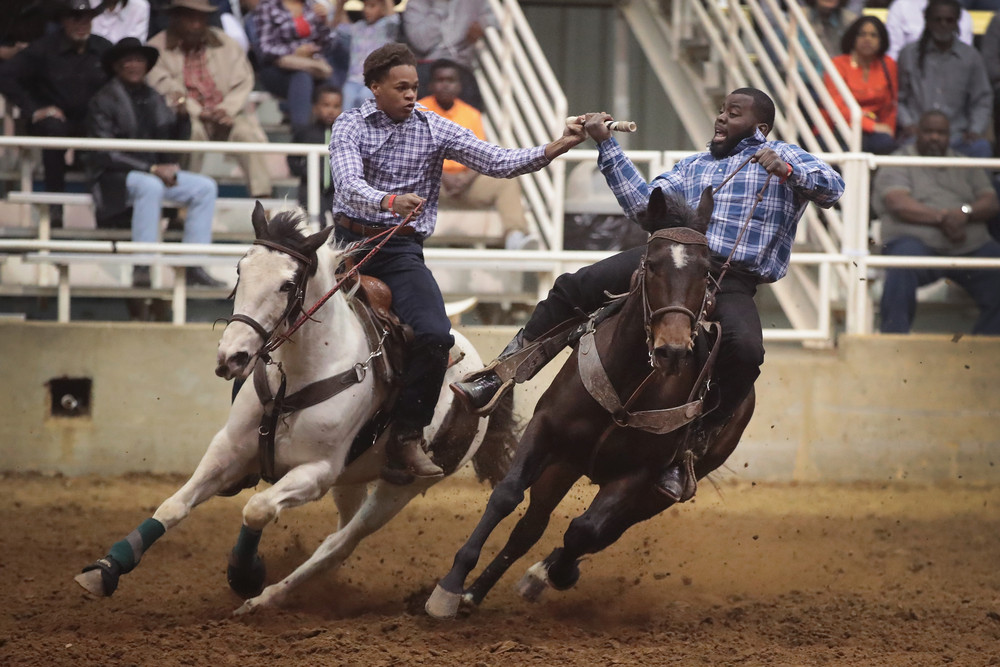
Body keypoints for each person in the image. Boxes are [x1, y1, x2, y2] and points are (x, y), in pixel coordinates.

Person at [452, 88, 846, 500]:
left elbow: (833, 189)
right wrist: (607, 145)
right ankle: (500, 376)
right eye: (721, 110)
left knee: (746, 349)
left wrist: (785, 169)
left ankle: (691, 446)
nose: (722, 118)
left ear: (760, 128)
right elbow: (644, 207)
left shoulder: (787, 155)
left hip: (730, 277)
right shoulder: (692, 166)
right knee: (574, 286)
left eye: (734, 112)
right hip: (669, 259)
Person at [329, 43, 587, 484]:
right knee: (280, 311)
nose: (412, 95)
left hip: (399, 253)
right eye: (401, 87)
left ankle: (407, 436)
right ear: (374, 87)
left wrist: (559, 145)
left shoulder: (435, 128)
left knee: (433, 334)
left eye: (414, 87)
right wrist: (390, 200)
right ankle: (253, 413)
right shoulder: (350, 123)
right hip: (344, 245)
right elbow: (348, 183)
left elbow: (498, 162)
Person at [85, 37, 224, 288]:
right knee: (150, 186)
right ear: (117, 65)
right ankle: (143, 265)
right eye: (128, 60)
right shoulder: (102, 100)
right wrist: (151, 169)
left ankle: (195, 265)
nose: (134, 65)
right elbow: (104, 153)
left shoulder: (154, 96)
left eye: (139, 59)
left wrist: (182, 118)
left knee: (205, 187)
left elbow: (170, 138)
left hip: (153, 172)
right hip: (113, 176)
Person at [872, 110, 1000, 334]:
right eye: (929, 131)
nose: (935, 137)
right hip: (916, 244)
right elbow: (898, 203)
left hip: (969, 245)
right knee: (902, 264)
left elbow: (990, 202)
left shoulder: (965, 163)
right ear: (917, 132)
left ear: (950, 136)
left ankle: (979, 352)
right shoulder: (898, 161)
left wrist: (965, 214)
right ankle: (893, 343)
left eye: (941, 133)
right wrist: (945, 218)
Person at [0, 0, 111, 228]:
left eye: (87, 18)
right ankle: (55, 208)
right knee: (53, 128)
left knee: (108, 130)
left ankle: (109, 212)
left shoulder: (103, 49)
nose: (81, 24)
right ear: (63, 21)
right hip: (52, 121)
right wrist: (34, 109)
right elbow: (6, 75)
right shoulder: (43, 49)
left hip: (92, 122)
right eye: (75, 18)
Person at [146, 0, 273, 198]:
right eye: (190, 18)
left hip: (225, 113)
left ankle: (263, 201)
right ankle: (184, 199)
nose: (196, 24)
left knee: (247, 134)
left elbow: (244, 79)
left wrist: (226, 109)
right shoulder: (156, 48)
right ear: (175, 17)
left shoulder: (225, 43)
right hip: (185, 115)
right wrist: (198, 111)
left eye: (200, 18)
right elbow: (163, 86)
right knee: (192, 133)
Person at [417, 58, 539, 250]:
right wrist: (442, 176)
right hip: (433, 185)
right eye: (440, 80)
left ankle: (515, 238)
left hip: (465, 183)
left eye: (451, 81)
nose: (445, 85)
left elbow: (478, 152)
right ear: (431, 84)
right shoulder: (419, 110)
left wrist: (466, 179)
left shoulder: (471, 114)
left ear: (459, 86)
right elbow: (417, 155)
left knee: (507, 181)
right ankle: (404, 234)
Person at [896, 0, 993, 158]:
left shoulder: (971, 57)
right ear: (927, 21)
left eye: (949, 20)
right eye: (937, 19)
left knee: (981, 148)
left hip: (958, 137)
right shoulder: (909, 55)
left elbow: (982, 99)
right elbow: (898, 98)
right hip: (917, 136)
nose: (943, 24)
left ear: (957, 22)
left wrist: (975, 129)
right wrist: (908, 124)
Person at [252, 0, 344, 131]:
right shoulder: (267, 7)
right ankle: (301, 135)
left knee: (330, 83)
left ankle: (336, 135)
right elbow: (263, 49)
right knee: (302, 78)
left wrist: (325, 22)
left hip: (312, 67)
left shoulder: (312, 7)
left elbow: (328, 46)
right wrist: (295, 51)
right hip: (276, 69)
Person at [824, 15, 899, 154]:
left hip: (876, 130)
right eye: (862, 34)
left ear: (881, 40)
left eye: (873, 35)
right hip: (840, 127)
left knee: (887, 144)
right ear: (853, 38)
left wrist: (889, 130)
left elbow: (890, 106)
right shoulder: (838, 64)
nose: (867, 39)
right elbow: (836, 107)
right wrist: (871, 126)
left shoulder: (888, 64)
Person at [402, 0, 494, 110]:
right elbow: (422, 43)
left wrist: (483, 25)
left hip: (461, 65)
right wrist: (439, 7)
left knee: (469, 101)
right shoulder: (416, 4)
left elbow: (497, 21)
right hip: (427, 65)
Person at [288, 83, 341, 223]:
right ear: (315, 107)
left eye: (336, 106)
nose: (331, 111)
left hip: (337, 189)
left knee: (342, 224)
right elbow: (292, 157)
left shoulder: (344, 133)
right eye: (326, 105)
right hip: (310, 187)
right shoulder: (305, 132)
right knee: (317, 223)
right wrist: (305, 172)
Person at [331, 0, 399, 110]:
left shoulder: (386, 28)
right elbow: (339, 26)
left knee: (365, 99)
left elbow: (394, 19)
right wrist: (340, 4)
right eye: (365, 6)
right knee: (346, 107)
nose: (366, 10)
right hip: (353, 80)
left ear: (383, 9)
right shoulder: (358, 27)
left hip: (375, 81)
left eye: (372, 6)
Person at [885, 0, 973, 61]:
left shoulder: (963, 16)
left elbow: (965, 56)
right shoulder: (900, 7)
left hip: (953, 75)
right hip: (911, 75)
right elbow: (893, 53)